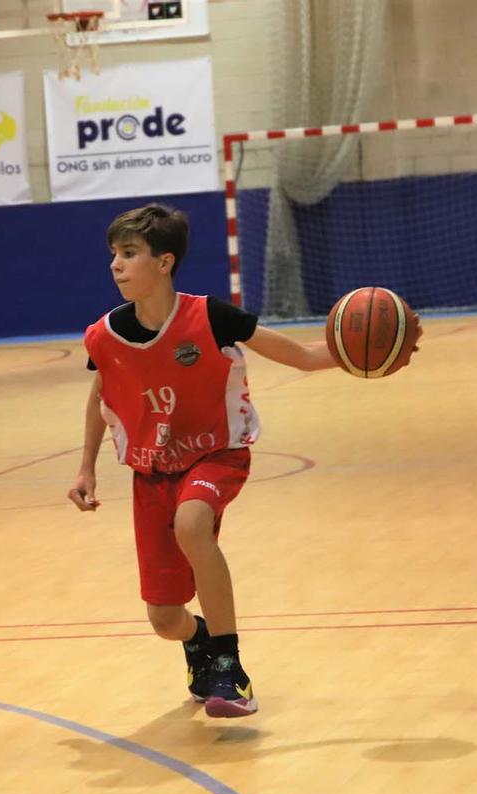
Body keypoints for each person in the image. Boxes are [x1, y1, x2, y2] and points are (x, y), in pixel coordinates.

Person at [68, 204, 420, 717]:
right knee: (165, 619)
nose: (115, 265)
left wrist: (372, 354)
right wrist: (86, 467)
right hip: (153, 473)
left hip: (216, 453)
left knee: (193, 524)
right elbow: (100, 396)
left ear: (164, 262)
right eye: (113, 255)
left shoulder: (211, 317)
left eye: (128, 253)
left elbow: (301, 356)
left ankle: (229, 668)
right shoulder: (105, 335)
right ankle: (199, 638)